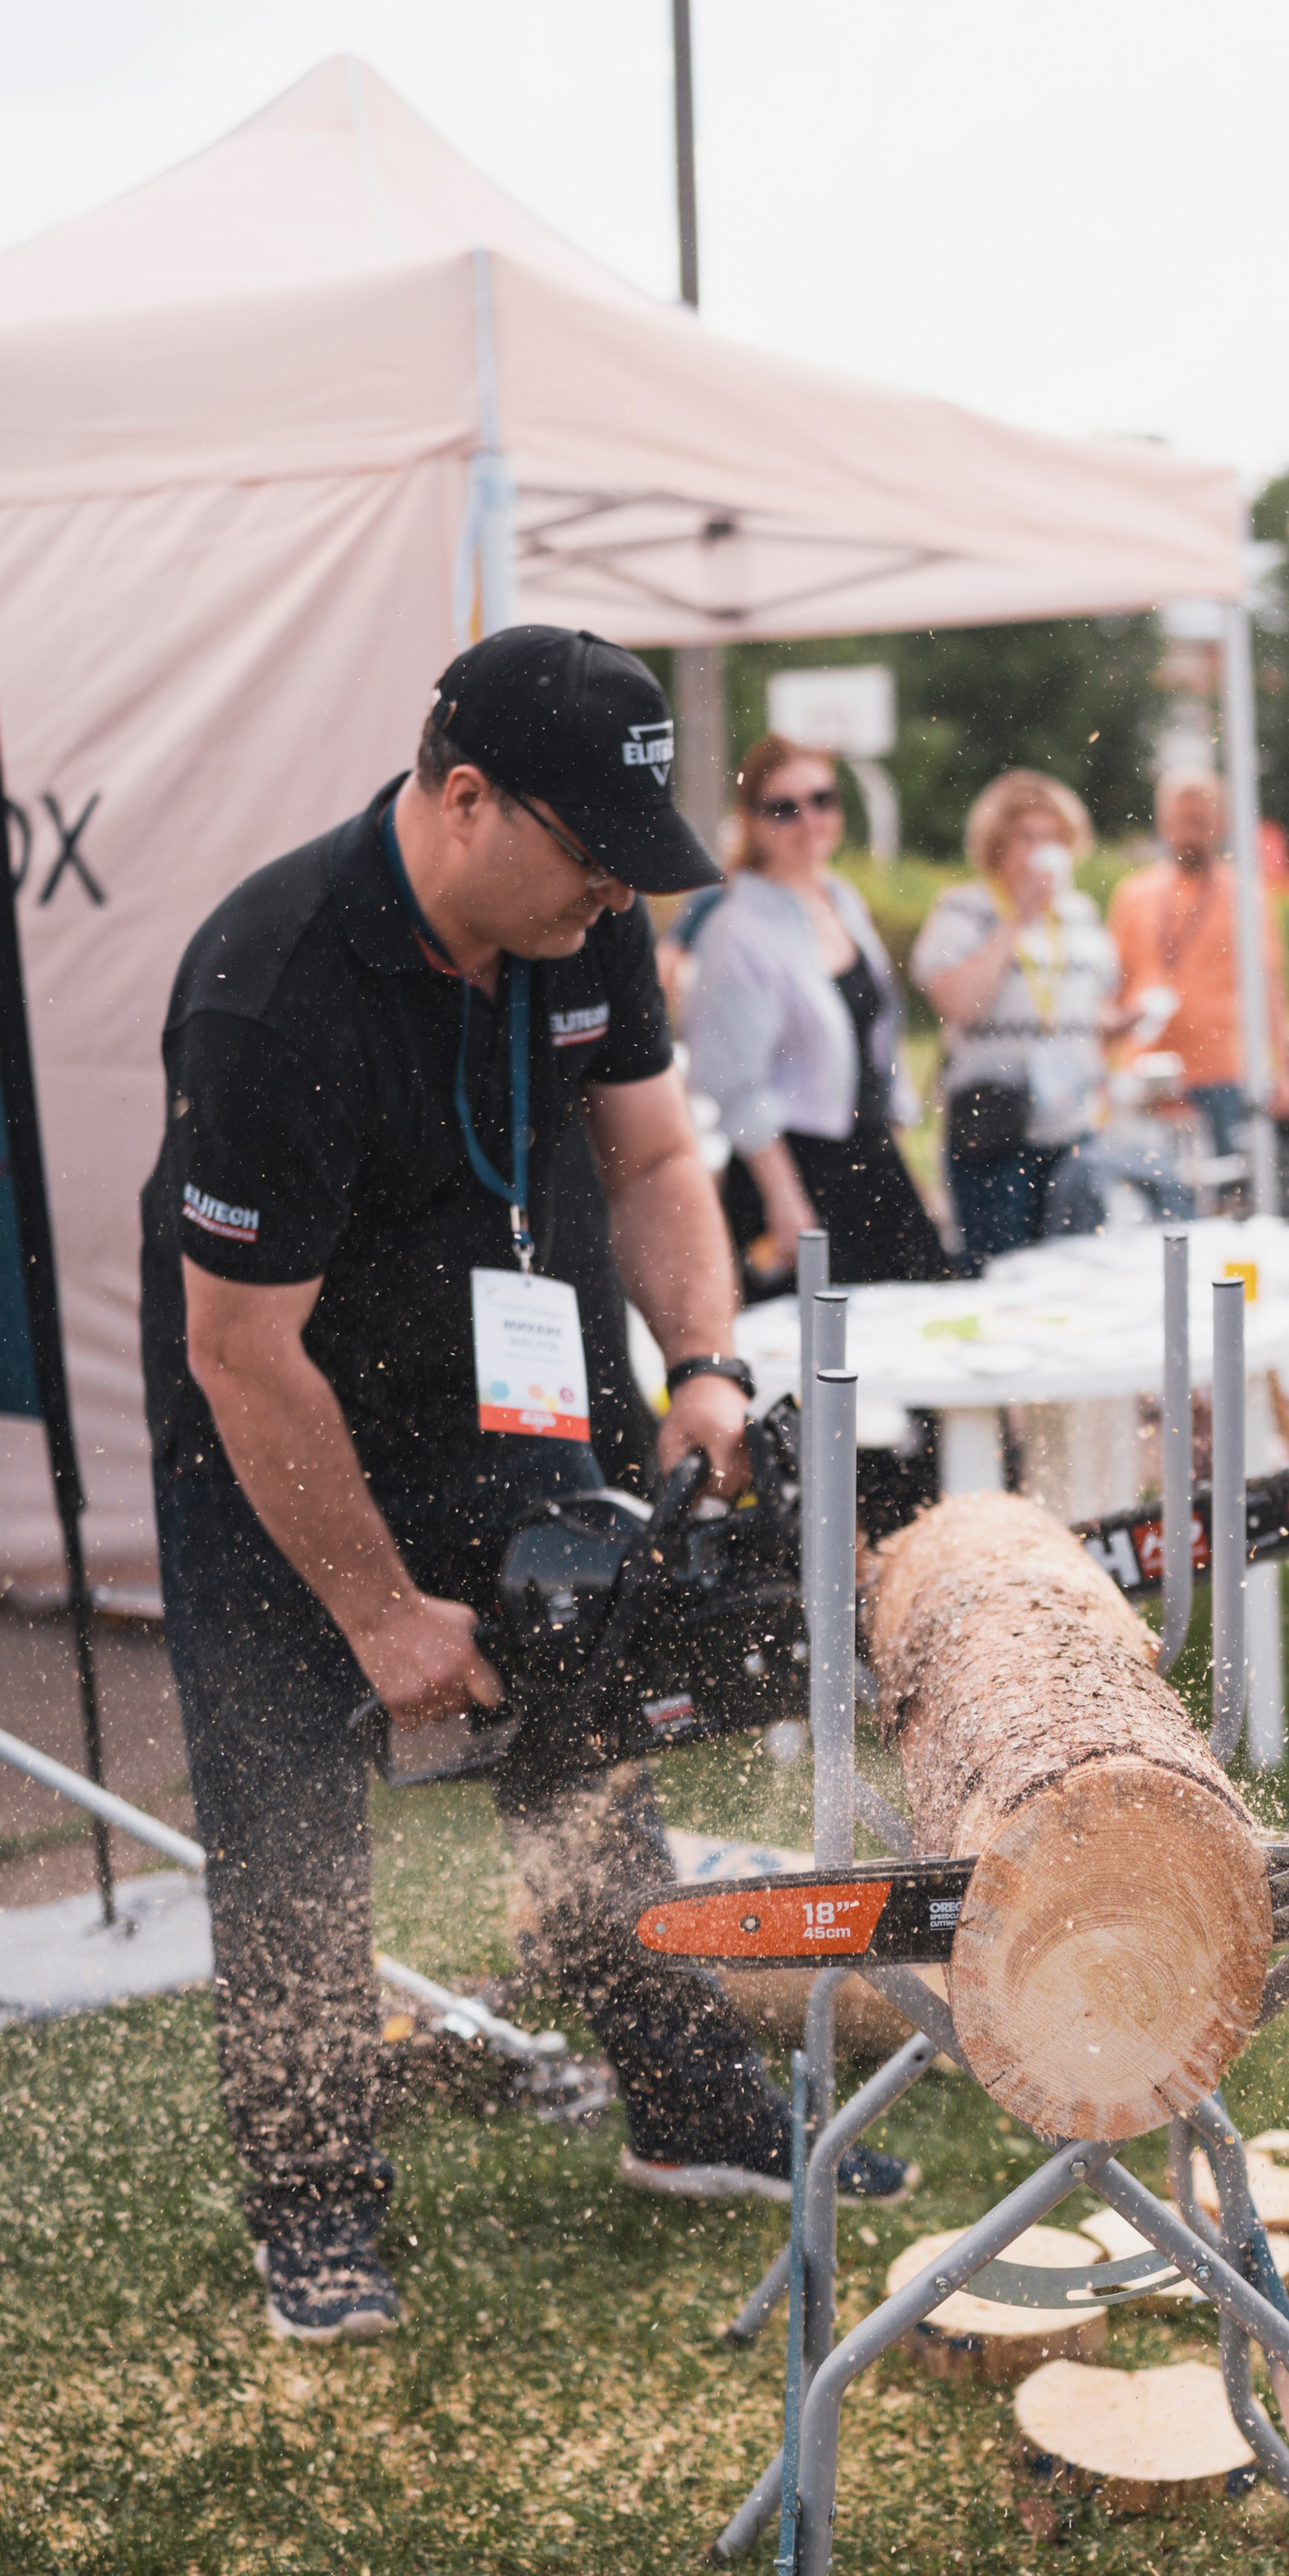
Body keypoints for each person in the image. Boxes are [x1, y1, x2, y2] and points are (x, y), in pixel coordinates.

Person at [142, 627, 911, 2350]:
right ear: (467, 797)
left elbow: (651, 1153)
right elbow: (242, 1352)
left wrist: (703, 1365)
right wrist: (376, 1611)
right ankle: (316, 2204)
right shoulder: (271, 987)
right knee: (288, 1824)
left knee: (588, 1751)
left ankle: (688, 2107)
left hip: (518, 1388)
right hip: (284, 1422)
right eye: (590, 856)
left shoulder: (586, 919)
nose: (615, 895)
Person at [685, 734, 948, 1291]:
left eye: (822, 800)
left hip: (872, 1157)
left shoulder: (842, 900)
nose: (809, 820)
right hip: (794, 1169)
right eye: (784, 808)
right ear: (751, 821)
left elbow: (876, 1044)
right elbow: (733, 1082)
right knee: (818, 1337)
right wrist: (785, 1199)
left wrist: (904, 1163)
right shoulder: (735, 930)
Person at [910, 771, 1124, 1264]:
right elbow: (957, 1002)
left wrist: (1116, 1024)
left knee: (1075, 1267)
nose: (1040, 850)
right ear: (997, 844)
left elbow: (1089, 1008)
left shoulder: (1079, 914)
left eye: (1053, 837)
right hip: (995, 1128)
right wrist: (1017, 921)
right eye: (1026, 836)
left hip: (1070, 1125)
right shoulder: (965, 909)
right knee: (1000, 1271)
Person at [1106, 768, 1289, 1160]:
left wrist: (1286, 1071)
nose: (1189, 834)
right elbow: (1112, 987)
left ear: (1220, 824)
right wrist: (1100, 1069)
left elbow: (1270, 988)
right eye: (1180, 822)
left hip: (1222, 1072)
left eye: (1199, 822)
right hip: (1147, 1072)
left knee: (1224, 1182)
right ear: (1163, 823)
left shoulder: (1246, 895)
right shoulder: (1134, 894)